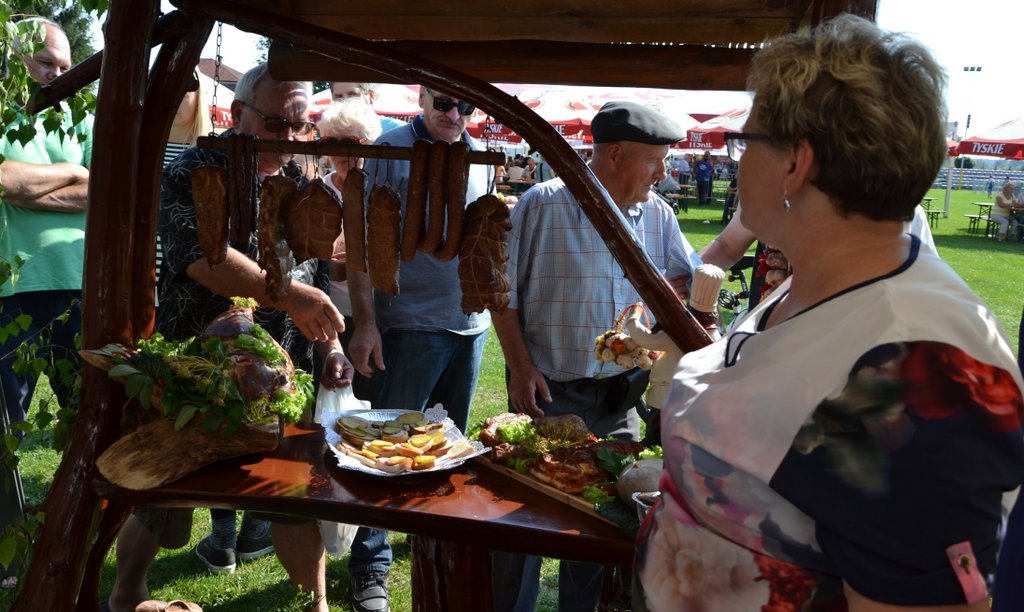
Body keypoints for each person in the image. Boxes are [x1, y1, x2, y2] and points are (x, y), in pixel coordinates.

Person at [636, 15, 1024, 611]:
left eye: (745, 142)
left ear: (796, 164)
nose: (736, 163)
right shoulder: (825, 280)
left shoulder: (917, 370)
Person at [107, 64, 352, 612]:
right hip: (199, 371)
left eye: (300, 126)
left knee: (291, 492)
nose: (290, 138)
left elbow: (311, 275)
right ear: (238, 112)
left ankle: (314, 605)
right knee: (167, 491)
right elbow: (204, 260)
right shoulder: (194, 170)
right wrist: (291, 296)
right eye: (276, 123)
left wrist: (331, 347)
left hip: (281, 379)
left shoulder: (298, 183)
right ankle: (126, 593)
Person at [490, 100, 700, 612]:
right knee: (525, 518)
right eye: (655, 160)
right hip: (549, 393)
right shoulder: (543, 204)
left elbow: (691, 280)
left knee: (601, 522)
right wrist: (520, 366)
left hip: (620, 399)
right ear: (614, 154)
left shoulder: (658, 214)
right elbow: (502, 294)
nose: (663, 172)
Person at [345, 85, 494, 612]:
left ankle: (434, 542)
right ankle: (370, 562)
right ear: (423, 98)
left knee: (444, 448)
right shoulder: (389, 150)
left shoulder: (478, 155)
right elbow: (362, 244)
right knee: (388, 449)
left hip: (469, 326)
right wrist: (366, 323)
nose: (455, 114)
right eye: (445, 103)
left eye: (466, 106)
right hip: (407, 323)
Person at [0, 17, 87, 589]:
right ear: (15, 60)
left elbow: (100, 185)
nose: (57, 75)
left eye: (64, 65)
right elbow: (3, 178)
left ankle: (72, 532)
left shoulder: (82, 115)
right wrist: (72, 172)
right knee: (4, 427)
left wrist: (35, 186)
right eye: (44, 62)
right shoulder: (2, 108)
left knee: (86, 415)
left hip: (78, 284)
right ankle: (5, 554)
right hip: (10, 289)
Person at [317, 96, 382, 400]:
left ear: (369, 145)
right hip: (330, 315)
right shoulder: (318, 193)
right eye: (335, 142)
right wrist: (326, 266)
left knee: (371, 400)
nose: (344, 152)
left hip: (378, 316)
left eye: (354, 142)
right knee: (330, 396)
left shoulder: (383, 194)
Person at [331, 82, 406, 133]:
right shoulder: (331, 132)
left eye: (353, 95)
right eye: (338, 97)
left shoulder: (398, 130)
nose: (345, 101)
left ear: (371, 96)